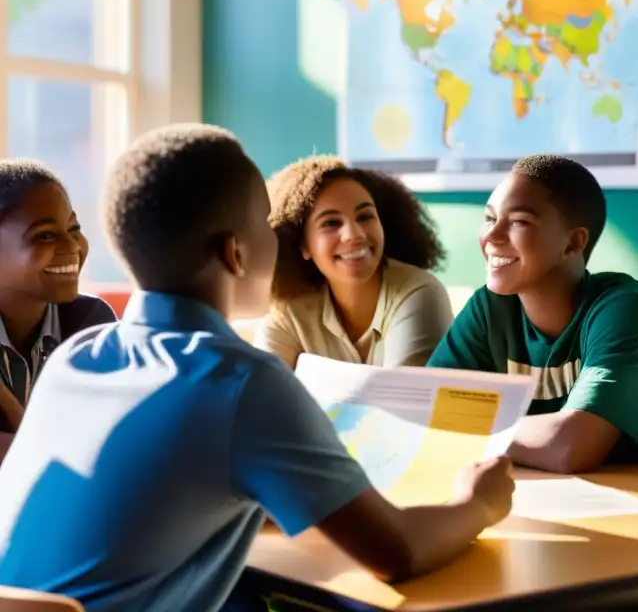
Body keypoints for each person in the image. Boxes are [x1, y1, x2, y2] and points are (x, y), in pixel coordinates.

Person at [0, 124, 514, 612]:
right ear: (235, 252)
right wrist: (478, 504)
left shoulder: (75, 356)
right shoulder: (241, 381)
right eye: (270, 226)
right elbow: (396, 553)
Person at [427, 154, 638, 474]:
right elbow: (425, 415)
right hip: (570, 494)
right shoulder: (490, 308)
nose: (492, 236)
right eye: (490, 218)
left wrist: (468, 424)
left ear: (573, 243)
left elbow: (570, 447)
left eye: (519, 221)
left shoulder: (625, 309)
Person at [255, 155, 452, 369]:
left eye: (365, 216)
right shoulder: (288, 312)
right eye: (331, 222)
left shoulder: (419, 293)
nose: (353, 234)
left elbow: (403, 398)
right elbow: (260, 392)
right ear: (302, 245)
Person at [0, 160, 115, 442]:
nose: (73, 246)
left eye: (74, 228)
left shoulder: (92, 324)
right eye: (46, 235)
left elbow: (100, 443)